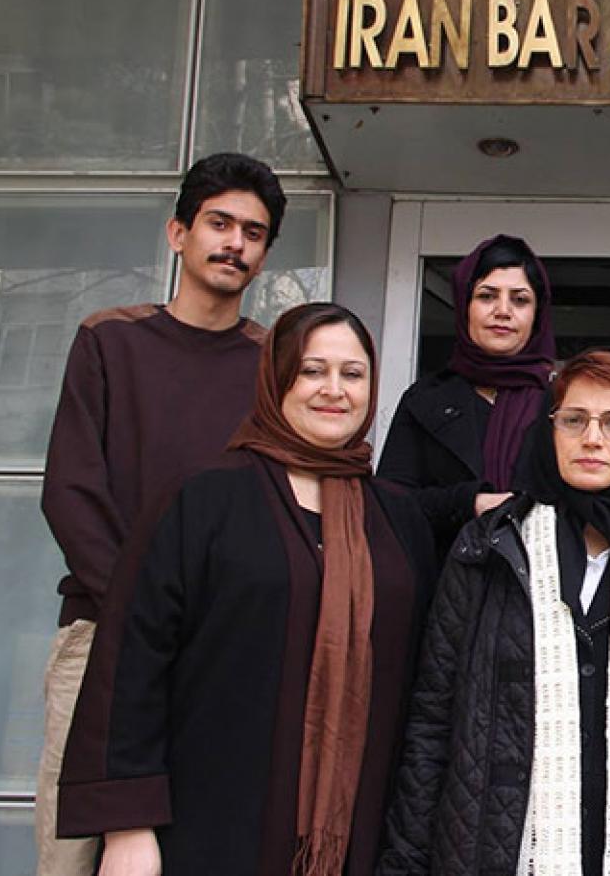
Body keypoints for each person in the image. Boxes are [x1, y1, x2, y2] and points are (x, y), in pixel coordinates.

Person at [57, 303, 436, 876]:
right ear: (276, 379)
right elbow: (132, 664)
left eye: (353, 374)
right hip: (208, 824)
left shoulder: (398, 520)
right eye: (312, 371)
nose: (334, 390)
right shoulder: (204, 499)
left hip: (360, 837)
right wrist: (128, 826)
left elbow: (423, 688)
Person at [379, 348, 610, 876]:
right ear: (548, 428)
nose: (593, 439)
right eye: (574, 420)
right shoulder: (487, 551)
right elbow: (431, 726)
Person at [35, 151, 286, 875]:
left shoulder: (273, 368)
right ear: (178, 233)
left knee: (193, 847)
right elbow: (71, 492)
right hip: (101, 633)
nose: (235, 243)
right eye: (219, 223)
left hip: (217, 649)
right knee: (71, 854)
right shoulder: (109, 340)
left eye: (253, 233)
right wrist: (142, 613)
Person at [377, 233, 555, 558]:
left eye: (520, 300)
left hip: (542, 583)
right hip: (443, 579)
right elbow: (390, 505)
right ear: (464, 306)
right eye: (487, 296)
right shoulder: (424, 400)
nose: (503, 311)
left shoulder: (565, 404)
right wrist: (469, 502)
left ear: (537, 314)